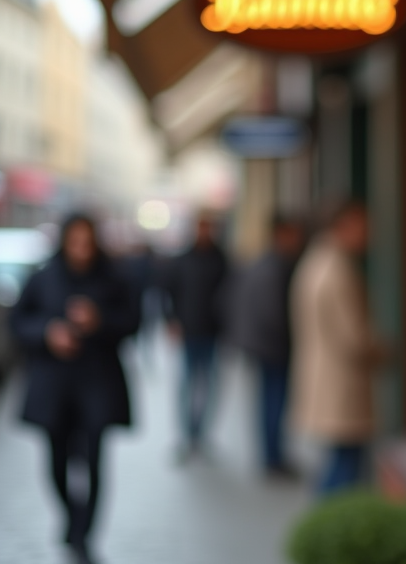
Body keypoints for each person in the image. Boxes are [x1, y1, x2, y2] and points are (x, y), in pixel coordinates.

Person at [11, 213, 140, 564]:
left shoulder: (113, 278)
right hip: (54, 385)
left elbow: (132, 322)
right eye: (75, 242)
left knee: (96, 461)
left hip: (97, 383)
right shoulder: (44, 277)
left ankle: (85, 539)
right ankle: (72, 518)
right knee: (56, 461)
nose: (81, 250)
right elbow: (19, 322)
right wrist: (49, 333)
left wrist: (99, 321)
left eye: (87, 242)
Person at [291, 201, 386, 494]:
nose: (368, 233)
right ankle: (326, 533)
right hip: (342, 383)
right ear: (343, 225)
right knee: (343, 469)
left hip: (326, 378)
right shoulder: (338, 269)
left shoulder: (315, 261)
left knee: (338, 462)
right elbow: (354, 337)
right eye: (361, 225)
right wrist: (383, 350)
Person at [228, 215, 305, 477]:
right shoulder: (274, 267)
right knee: (273, 401)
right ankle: (272, 458)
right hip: (272, 347)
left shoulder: (264, 263)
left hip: (262, 345)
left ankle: (271, 455)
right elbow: (273, 314)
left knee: (269, 401)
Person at [163, 213, 228, 460]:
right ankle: (186, 435)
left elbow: (229, 293)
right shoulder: (181, 260)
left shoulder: (220, 259)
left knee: (209, 385)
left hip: (212, 331)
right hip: (188, 330)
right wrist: (171, 321)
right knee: (186, 384)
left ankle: (201, 434)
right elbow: (167, 292)